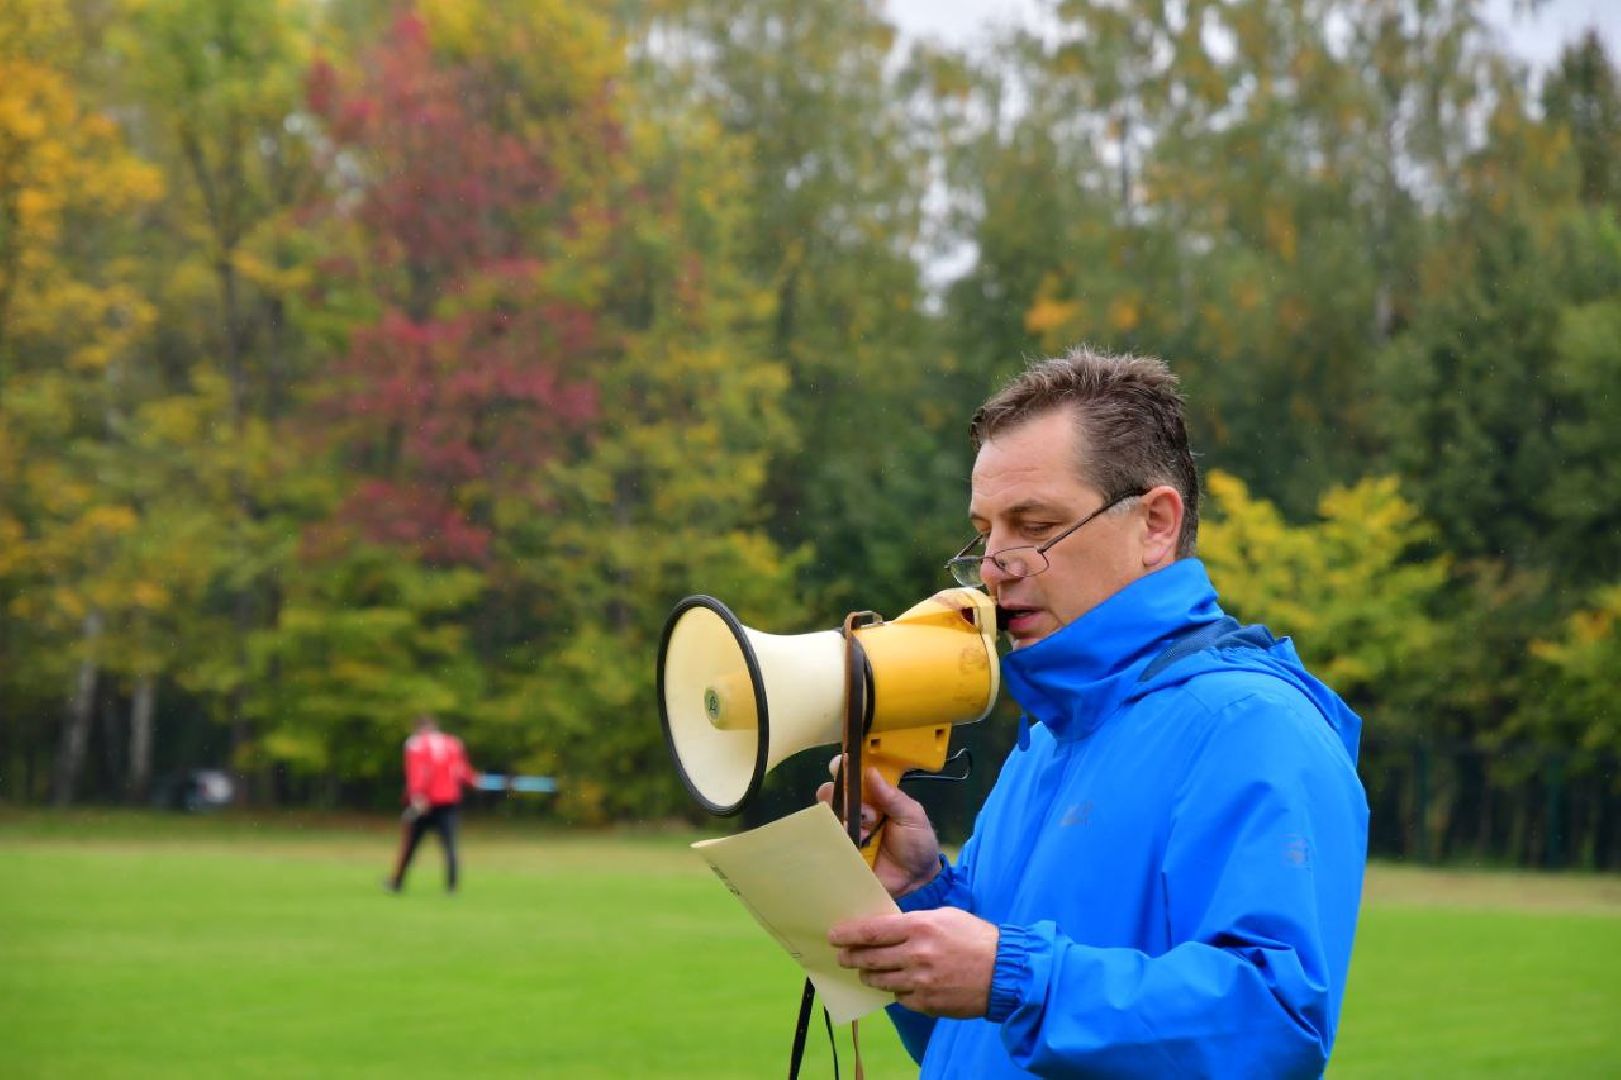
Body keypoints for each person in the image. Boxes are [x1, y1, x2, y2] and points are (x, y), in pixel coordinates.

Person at [824, 347, 1369, 1077]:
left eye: (1032, 523)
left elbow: (1270, 1025)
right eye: (985, 531)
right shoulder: (1051, 733)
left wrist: (1009, 977)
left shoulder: (1252, 724)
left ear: (1154, 525)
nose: (994, 565)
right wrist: (921, 891)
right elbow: (982, 1039)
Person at [385, 714, 479, 894]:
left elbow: (418, 772)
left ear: (418, 728)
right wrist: (475, 781)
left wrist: (417, 796)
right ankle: (452, 887)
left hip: (424, 803)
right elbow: (462, 772)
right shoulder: (453, 742)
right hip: (449, 802)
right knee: (450, 845)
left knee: (410, 845)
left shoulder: (415, 743)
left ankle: (396, 883)